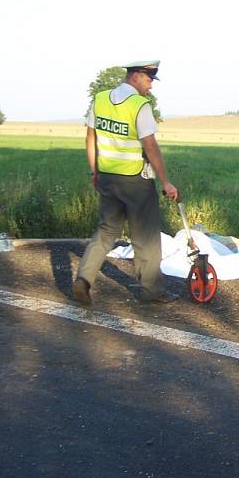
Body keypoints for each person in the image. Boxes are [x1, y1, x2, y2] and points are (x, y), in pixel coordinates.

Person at [72, 60, 180, 305]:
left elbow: (91, 137)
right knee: (146, 236)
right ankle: (152, 291)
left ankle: (84, 278)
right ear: (136, 76)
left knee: (106, 231)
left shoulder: (99, 99)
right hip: (135, 181)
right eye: (150, 79)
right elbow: (150, 146)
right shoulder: (139, 105)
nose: (151, 86)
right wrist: (166, 182)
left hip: (108, 177)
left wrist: (95, 171)